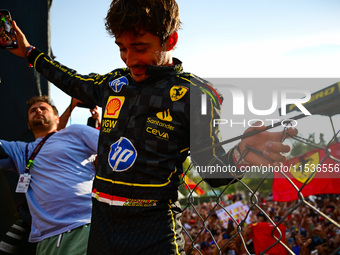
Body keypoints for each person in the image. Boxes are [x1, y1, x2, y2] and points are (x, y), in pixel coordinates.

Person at [8, 0, 297, 254]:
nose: (130, 59)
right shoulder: (114, 82)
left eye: (140, 47)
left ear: (170, 41)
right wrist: (30, 52)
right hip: (101, 224)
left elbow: (212, 170)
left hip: (154, 230)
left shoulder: (196, 94)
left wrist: (240, 156)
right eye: (122, 48)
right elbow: (71, 80)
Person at [0, 96, 99, 255]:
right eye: (33, 111)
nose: (38, 111)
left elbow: (114, 150)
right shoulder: (20, 151)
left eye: (43, 108)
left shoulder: (75, 132)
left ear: (57, 118)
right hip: (46, 239)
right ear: (28, 124)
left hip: (87, 225)